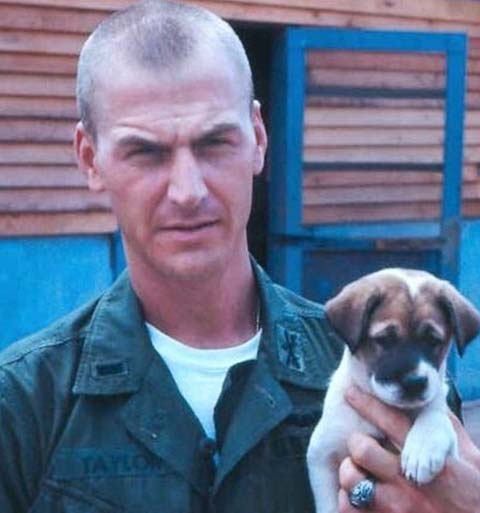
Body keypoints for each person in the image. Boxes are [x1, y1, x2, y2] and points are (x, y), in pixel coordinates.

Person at [0, 1, 479, 512]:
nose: (187, 190)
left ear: (258, 138)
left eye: (215, 143)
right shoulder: (26, 404)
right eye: (146, 152)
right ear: (90, 158)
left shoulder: (375, 374)